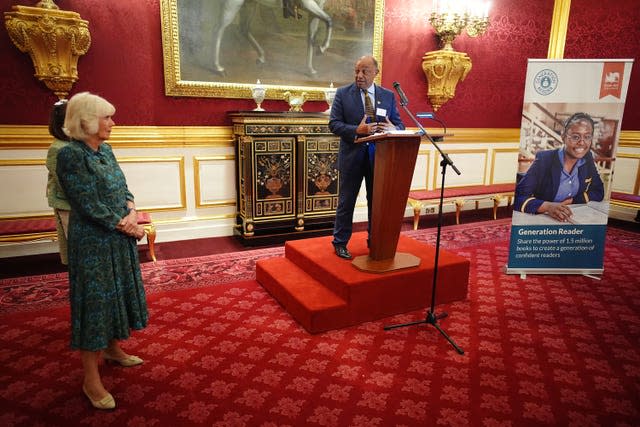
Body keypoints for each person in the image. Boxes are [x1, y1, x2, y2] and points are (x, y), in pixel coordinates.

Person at [56, 92, 148, 410]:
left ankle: (112, 349)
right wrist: (129, 226)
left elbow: (123, 187)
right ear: (86, 121)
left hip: (118, 237)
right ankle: (90, 380)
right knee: (94, 306)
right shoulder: (70, 155)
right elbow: (88, 204)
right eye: (106, 117)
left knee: (116, 295)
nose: (112, 123)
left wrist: (132, 210)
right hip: (93, 242)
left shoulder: (106, 151)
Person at [329, 55, 404, 259]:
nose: (359, 75)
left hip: (379, 158)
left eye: (365, 71)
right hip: (352, 157)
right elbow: (334, 124)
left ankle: (375, 240)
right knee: (346, 202)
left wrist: (394, 128)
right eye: (357, 71)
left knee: (377, 203)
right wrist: (357, 129)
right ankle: (340, 243)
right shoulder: (343, 94)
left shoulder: (387, 96)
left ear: (375, 73)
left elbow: (400, 124)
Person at [514, 112, 605, 222]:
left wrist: (572, 201)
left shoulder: (587, 158)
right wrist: (548, 206)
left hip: (570, 218)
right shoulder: (545, 159)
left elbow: (599, 191)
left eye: (587, 137)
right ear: (563, 138)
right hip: (540, 220)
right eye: (576, 137)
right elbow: (518, 197)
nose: (582, 142)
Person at [45, 99, 71, 264]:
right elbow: (65, 185)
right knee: (75, 250)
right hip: (67, 205)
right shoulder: (58, 148)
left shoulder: (73, 144)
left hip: (79, 206)